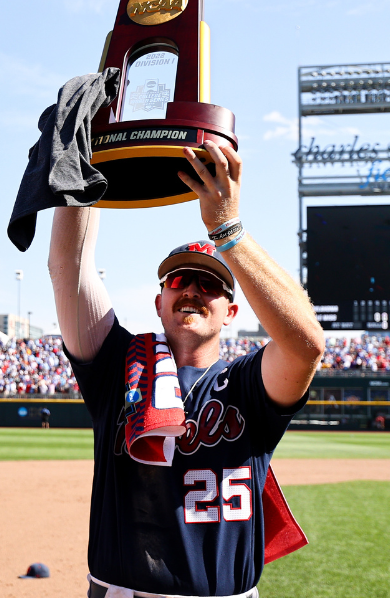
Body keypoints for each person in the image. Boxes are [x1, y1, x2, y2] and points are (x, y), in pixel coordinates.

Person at [49, 140, 324, 597]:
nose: (192, 290)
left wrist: (227, 229)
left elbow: (307, 345)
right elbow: (69, 266)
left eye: (210, 284)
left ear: (231, 313)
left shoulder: (247, 384)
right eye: (178, 280)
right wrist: (84, 159)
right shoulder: (119, 365)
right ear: (160, 301)